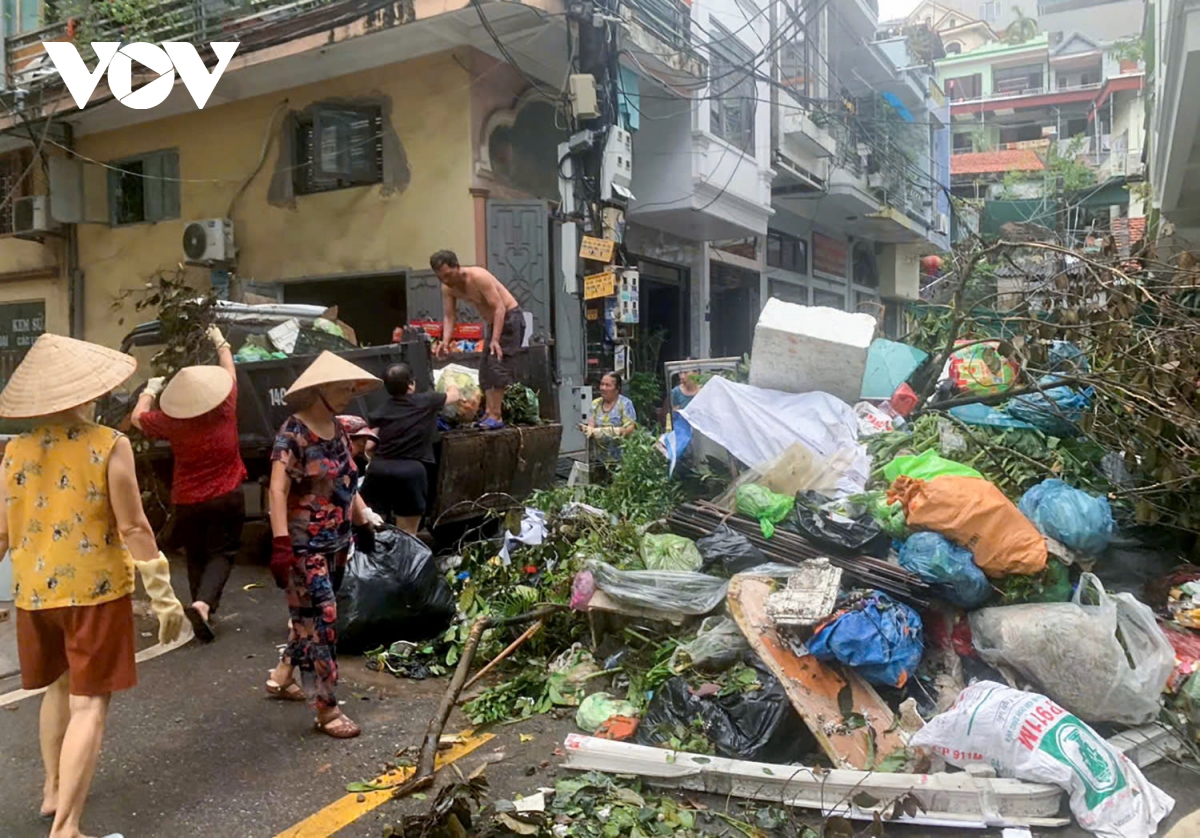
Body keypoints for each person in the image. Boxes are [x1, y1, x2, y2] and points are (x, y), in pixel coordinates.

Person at [0, 333, 185, 838]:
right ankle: (68, 828)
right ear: (86, 393)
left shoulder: (13, 450)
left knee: (56, 689)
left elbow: (1, 531)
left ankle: (53, 790)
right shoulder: (109, 444)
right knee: (90, 704)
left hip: (35, 593)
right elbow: (133, 526)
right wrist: (164, 596)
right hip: (95, 592)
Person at [265, 351, 384, 740]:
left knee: (308, 618)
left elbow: (345, 480)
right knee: (326, 619)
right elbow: (277, 488)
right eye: (343, 387)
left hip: (336, 543)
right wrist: (281, 543)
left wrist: (363, 518)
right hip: (304, 547)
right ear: (320, 390)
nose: (350, 393)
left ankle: (283, 675)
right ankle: (328, 709)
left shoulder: (340, 429)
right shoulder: (293, 434)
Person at [130, 325, 246, 644]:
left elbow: (138, 418)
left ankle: (200, 610)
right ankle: (203, 605)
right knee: (222, 553)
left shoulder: (172, 421)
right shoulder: (226, 408)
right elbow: (229, 369)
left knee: (195, 554)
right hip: (228, 496)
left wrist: (150, 390)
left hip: (188, 500)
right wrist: (219, 339)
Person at [429, 249, 523, 430]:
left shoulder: (478, 277)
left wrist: (495, 339)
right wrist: (445, 342)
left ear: (457, 266)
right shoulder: (448, 288)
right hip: (493, 324)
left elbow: (499, 308)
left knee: (497, 365)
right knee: (485, 368)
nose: (446, 280)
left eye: (448, 275)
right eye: (441, 278)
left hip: (509, 318)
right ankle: (488, 413)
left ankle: (496, 415)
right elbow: (450, 316)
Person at [362, 363, 459, 535]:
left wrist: (371, 460)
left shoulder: (380, 410)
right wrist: (450, 379)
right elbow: (454, 396)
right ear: (411, 384)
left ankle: (374, 560)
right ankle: (402, 561)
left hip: (379, 470)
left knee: (372, 525)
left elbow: (370, 445)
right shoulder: (426, 401)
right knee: (406, 533)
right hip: (410, 472)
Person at [585, 372, 637, 470]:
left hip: (620, 460)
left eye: (608, 385)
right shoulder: (595, 404)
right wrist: (588, 429)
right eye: (602, 384)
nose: (603, 388)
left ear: (617, 389)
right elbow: (591, 424)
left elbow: (630, 428)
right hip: (599, 459)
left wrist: (612, 431)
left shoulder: (625, 404)